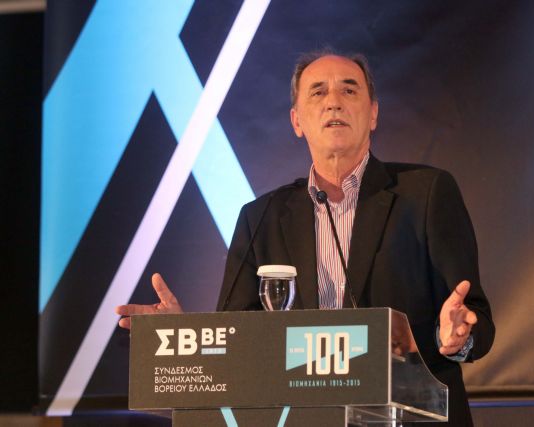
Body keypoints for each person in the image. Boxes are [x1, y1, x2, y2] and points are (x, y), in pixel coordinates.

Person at [116, 50, 494, 426]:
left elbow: (475, 318)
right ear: (297, 120)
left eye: (349, 90)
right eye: (318, 92)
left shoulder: (426, 194)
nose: (333, 102)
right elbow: (236, 343)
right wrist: (182, 338)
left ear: (373, 114)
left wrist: (458, 337)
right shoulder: (260, 218)